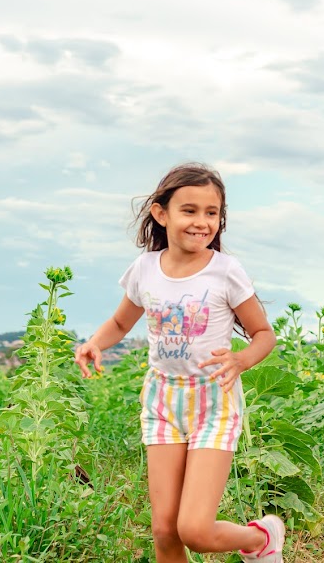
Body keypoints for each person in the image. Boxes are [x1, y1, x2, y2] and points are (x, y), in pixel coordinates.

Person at [74, 163, 283, 563]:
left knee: (195, 530)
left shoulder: (226, 271)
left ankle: (260, 540)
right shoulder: (144, 269)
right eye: (190, 210)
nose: (202, 222)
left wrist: (240, 360)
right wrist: (95, 343)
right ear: (161, 213)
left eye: (212, 213)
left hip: (214, 402)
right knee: (165, 530)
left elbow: (264, 335)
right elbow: (121, 321)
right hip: (163, 402)